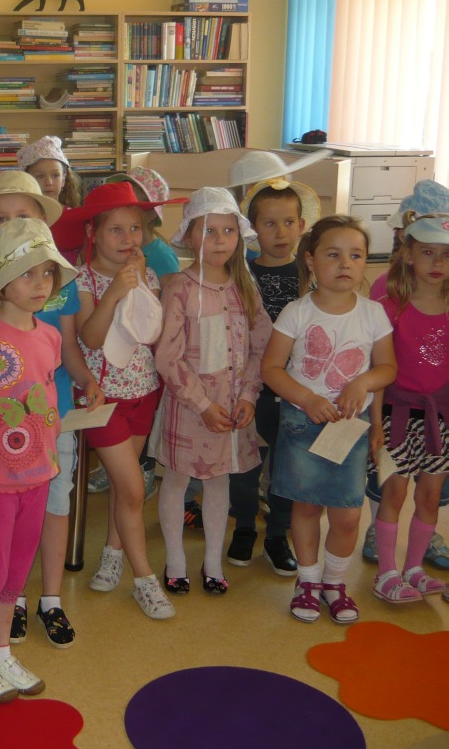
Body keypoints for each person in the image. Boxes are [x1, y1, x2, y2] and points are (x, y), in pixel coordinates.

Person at [0, 171, 104, 647]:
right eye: (1, 219)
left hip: (46, 438)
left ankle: (45, 603)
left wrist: (85, 381)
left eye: (22, 215)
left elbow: (62, 355)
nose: (40, 283)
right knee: (0, 547)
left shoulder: (53, 304)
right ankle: (2, 620)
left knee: (49, 512)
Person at [0, 217, 77, 702]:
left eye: (47, 272)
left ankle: (1, 650)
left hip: (38, 477)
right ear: (2, 282)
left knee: (16, 573)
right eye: (27, 273)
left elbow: (46, 400)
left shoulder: (49, 336)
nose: (41, 283)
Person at [261, 215, 396, 623]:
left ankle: (334, 583)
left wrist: (363, 384)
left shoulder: (373, 313)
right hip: (302, 424)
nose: (345, 264)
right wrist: (306, 398)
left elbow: (387, 368)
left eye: (356, 255)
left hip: (350, 429)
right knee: (305, 509)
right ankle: (307, 582)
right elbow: (271, 369)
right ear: (311, 260)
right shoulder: (296, 312)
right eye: (333, 255)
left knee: (347, 513)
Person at [68, 182, 184, 617]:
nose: (128, 239)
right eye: (115, 230)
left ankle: (113, 552)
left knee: (124, 486)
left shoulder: (148, 275)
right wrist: (116, 290)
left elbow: (151, 331)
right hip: (102, 401)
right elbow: (91, 337)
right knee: (135, 489)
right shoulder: (80, 279)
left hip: (144, 392)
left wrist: (139, 287)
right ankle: (145, 579)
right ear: (93, 233)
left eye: (134, 228)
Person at [153, 188, 272, 598]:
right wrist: (202, 404)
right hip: (190, 409)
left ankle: (213, 563)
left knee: (219, 483)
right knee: (177, 480)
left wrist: (249, 395)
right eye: (208, 231)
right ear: (189, 236)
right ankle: (175, 561)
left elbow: (261, 347)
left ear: (239, 235)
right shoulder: (180, 288)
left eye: (228, 230)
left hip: (233, 410)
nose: (220, 240)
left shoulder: (246, 286)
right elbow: (168, 357)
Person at [226, 178, 315, 574]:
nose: (281, 233)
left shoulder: (311, 275)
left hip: (297, 391)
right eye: (269, 224)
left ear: (301, 226)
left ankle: (278, 534)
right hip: (251, 390)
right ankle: (245, 526)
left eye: (289, 222)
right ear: (252, 229)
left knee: (287, 466)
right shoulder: (240, 276)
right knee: (246, 466)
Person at [362, 180, 449, 571]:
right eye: (428, 251)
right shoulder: (388, 297)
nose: (437, 263)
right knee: (391, 494)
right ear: (408, 250)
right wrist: (373, 420)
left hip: (440, 417)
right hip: (395, 415)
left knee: (430, 496)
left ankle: (414, 567)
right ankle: (387, 571)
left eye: (446, 254)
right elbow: (376, 364)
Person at [17, 135, 82, 210]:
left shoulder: (72, 215)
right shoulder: (21, 215)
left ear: (63, 180)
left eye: (55, 176)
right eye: (40, 176)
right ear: (27, 181)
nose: (48, 183)